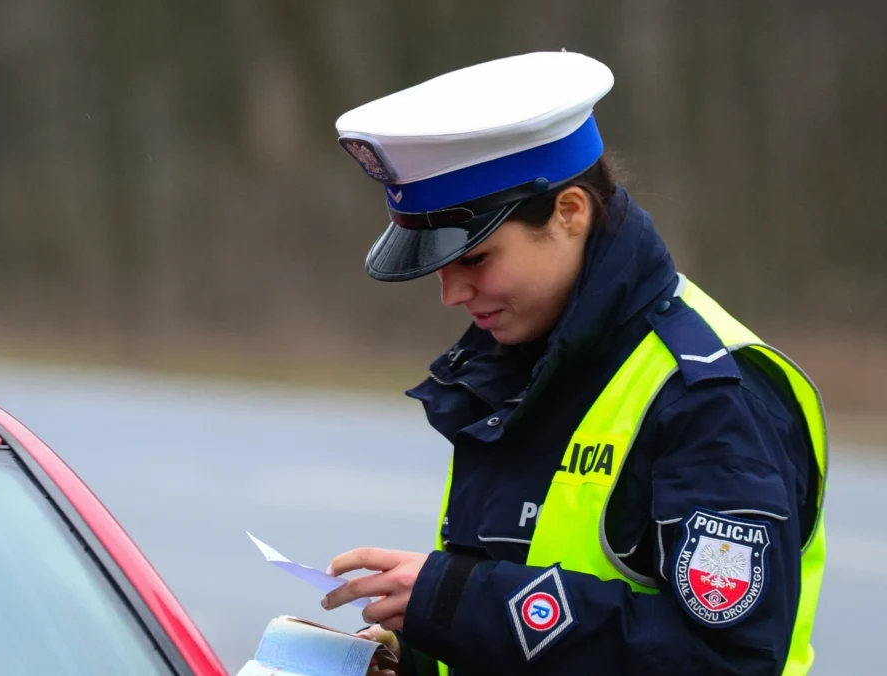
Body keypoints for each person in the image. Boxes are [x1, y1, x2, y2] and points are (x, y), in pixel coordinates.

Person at [318, 51, 828, 676]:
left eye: (474, 259)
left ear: (569, 213)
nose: (451, 293)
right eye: (439, 265)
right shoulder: (520, 366)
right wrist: (416, 651)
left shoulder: (712, 397)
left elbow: (726, 661)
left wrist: (457, 602)